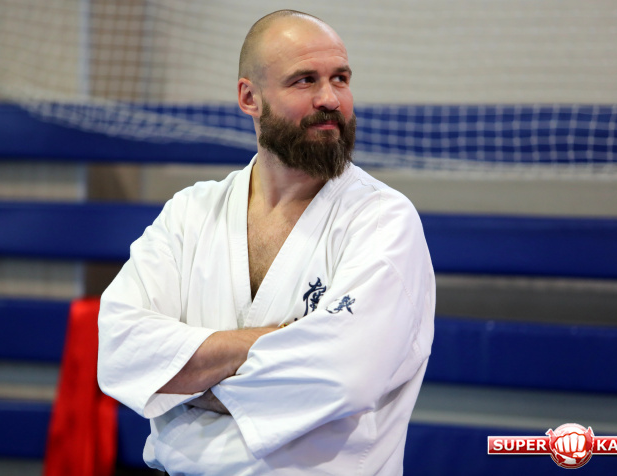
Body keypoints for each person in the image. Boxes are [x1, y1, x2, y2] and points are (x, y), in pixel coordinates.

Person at [98, 9, 435, 475]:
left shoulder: (381, 221)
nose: (330, 98)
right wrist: (273, 343)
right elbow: (121, 349)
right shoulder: (191, 213)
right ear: (249, 97)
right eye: (304, 80)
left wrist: (179, 381)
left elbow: (341, 377)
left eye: (340, 78)